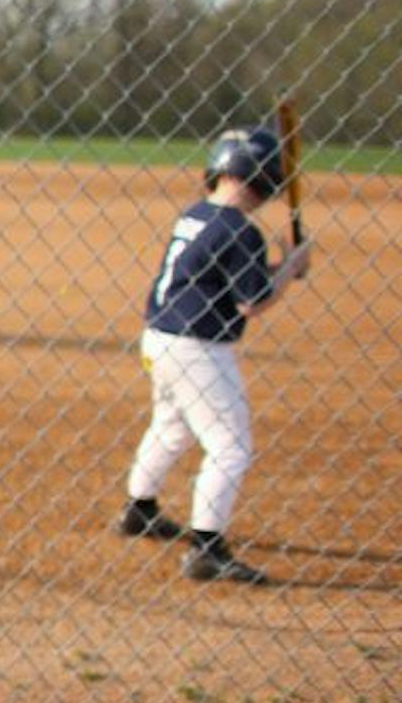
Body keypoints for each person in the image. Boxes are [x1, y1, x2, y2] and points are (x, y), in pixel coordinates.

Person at [115, 124, 313, 584]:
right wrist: (290, 269)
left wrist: (279, 268)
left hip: (160, 338)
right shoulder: (242, 232)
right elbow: (253, 301)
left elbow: (218, 274)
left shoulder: (197, 215)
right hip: (199, 348)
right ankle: (207, 548)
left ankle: (138, 508)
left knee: (171, 425)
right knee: (231, 444)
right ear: (265, 179)